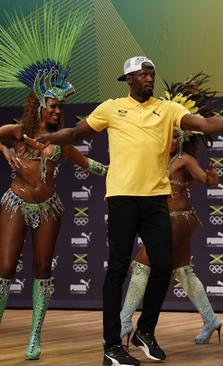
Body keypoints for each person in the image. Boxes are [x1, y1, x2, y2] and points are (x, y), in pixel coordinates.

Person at [36, 56, 223, 366]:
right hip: (122, 198)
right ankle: (112, 346)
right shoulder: (110, 107)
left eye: (151, 73)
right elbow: (76, 134)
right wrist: (50, 137)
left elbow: (202, 123)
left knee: (164, 264)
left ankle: (144, 331)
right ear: (128, 79)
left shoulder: (168, 109)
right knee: (117, 269)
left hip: (156, 199)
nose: (148, 78)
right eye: (142, 74)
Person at [0, 5, 102, 360]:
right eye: (52, 107)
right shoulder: (18, 131)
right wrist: (4, 149)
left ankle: (35, 336)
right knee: (5, 266)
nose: (58, 112)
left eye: (60, 108)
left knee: (42, 268)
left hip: (48, 207)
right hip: (15, 201)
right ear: (38, 105)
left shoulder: (62, 142)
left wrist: (121, 172)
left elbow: (91, 165)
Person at [120, 74, 222, 346]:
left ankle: (123, 322)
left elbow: (205, 180)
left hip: (178, 219)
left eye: (176, 136)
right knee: (182, 270)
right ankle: (210, 319)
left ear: (183, 137)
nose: (171, 140)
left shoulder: (184, 159)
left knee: (143, 264)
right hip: (166, 219)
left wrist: (212, 178)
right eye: (168, 135)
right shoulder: (152, 157)